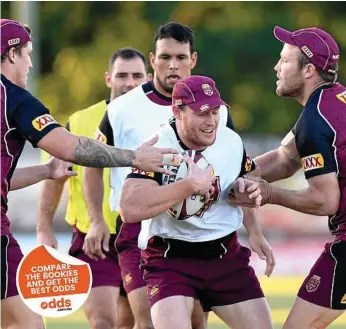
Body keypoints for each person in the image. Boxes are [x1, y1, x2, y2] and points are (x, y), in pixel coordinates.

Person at [0, 19, 178, 329]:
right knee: (27, 324)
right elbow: (72, 148)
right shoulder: (13, 98)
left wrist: (45, 170)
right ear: (13, 54)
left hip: (143, 238)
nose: (30, 62)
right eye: (28, 53)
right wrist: (136, 157)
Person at [119, 75, 274, 329]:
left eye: (215, 111)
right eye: (202, 113)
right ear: (177, 111)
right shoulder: (160, 145)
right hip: (171, 258)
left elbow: (242, 181)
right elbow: (129, 208)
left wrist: (255, 232)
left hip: (225, 256)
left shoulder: (231, 141)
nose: (211, 121)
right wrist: (188, 186)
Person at [230, 26, 345, 329]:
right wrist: (227, 177)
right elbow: (284, 159)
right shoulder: (331, 102)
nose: (276, 67)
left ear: (308, 70)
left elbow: (326, 201)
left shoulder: (316, 119)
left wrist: (268, 194)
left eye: (284, 61)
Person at [36, 47, 149, 329]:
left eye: (137, 76)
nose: (130, 83)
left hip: (144, 239)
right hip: (95, 241)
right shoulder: (80, 121)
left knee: (135, 323)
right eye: (122, 75)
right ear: (108, 79)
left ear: (148, 79)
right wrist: (44, 228)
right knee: (102, 321)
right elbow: (55, 177)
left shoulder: (160, 119)